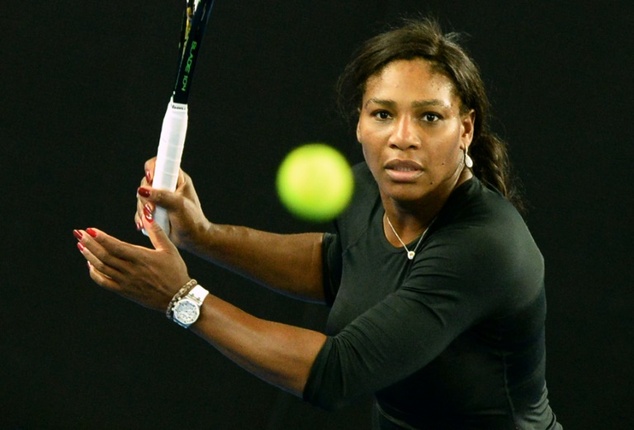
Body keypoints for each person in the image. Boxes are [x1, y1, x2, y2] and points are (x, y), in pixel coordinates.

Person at [74, 18, 562, 429]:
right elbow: (339, 263)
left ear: (466, 130)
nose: (403, 137)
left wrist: (182, 298)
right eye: (383, 114)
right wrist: (203, 235)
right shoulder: (366, 190)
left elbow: (338, 373)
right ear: (359, 123)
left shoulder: (483, 246)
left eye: (430, 117)